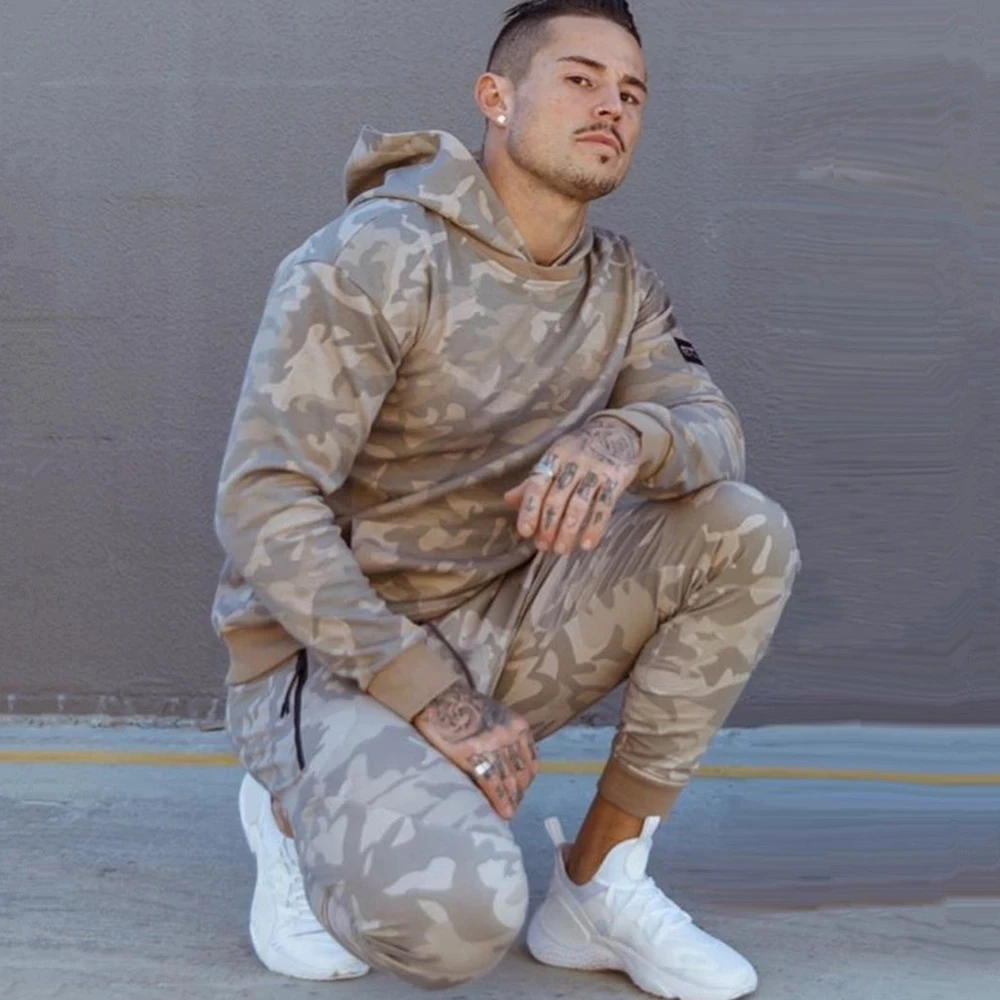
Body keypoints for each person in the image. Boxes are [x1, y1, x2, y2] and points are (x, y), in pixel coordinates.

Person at [212, 1, 799, 997]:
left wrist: (625, 435)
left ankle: (599, 882)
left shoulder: (619, 284)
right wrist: (430, 696)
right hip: (338, 657)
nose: (611, 107)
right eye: (579, 79)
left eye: (631, 93)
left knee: (743, 532)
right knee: (455, 930)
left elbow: (713, 428)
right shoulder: (376, 253)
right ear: (495, 97)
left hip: (504, 625)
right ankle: (284, 808)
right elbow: (261, 502)